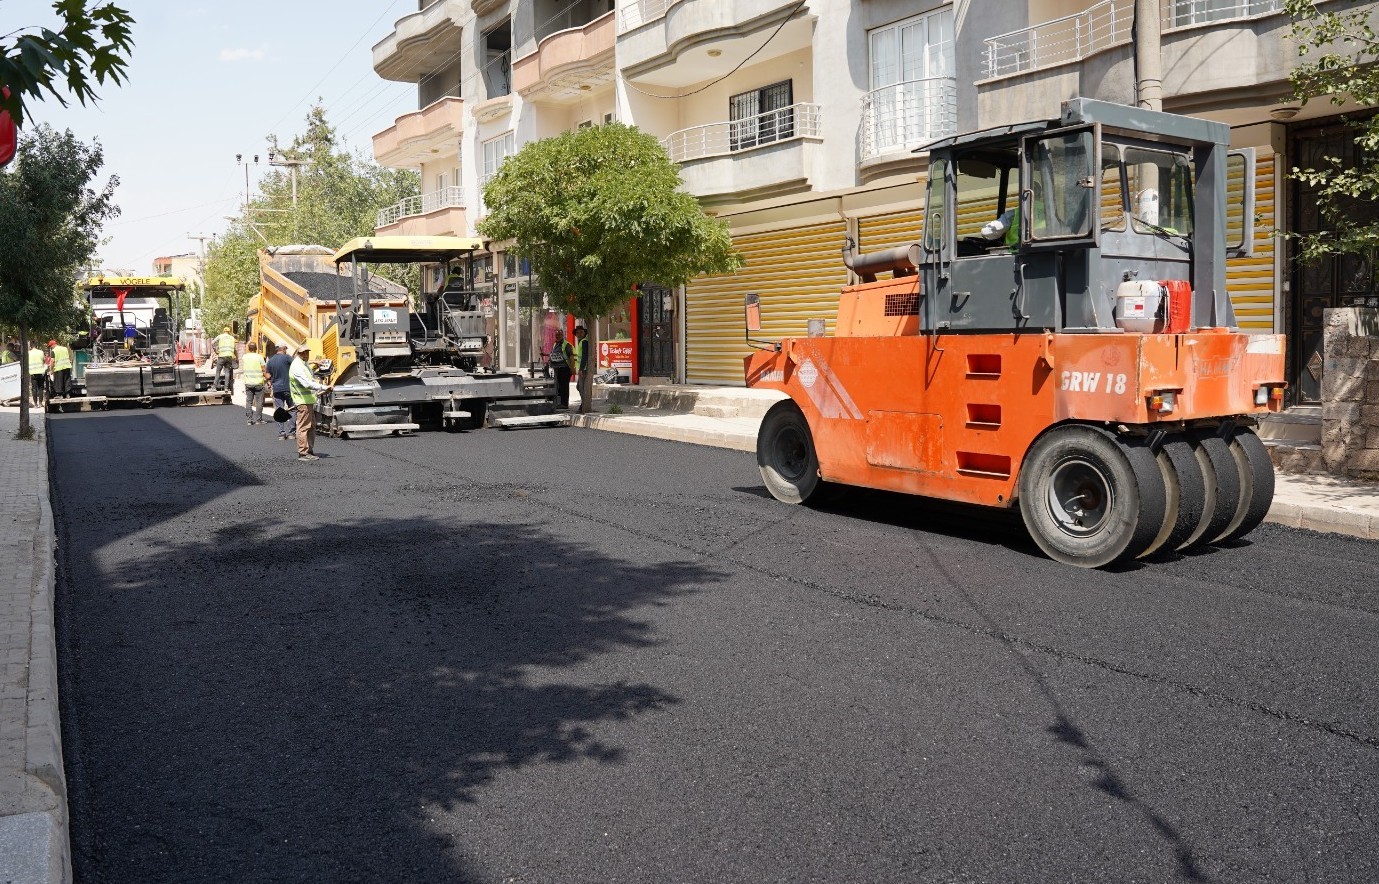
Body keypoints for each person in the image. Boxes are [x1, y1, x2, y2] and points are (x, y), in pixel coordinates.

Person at [288, 343, 332, 461]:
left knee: (311, 426)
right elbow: (306, 383)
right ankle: (303, 452)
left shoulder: (303, 363)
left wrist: (314, 363)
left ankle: (309, 450)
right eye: (304, 353)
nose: (307, 354)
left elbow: (308, 369)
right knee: (303, 427)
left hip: (308, 401)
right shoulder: (297, 366)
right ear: (299, 353)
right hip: (302, 402)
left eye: (308, 352)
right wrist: (323, 387)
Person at [265, 342, 296, 440]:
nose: (286, 350)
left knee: (279, 410)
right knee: (292, 409)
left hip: (277, 389)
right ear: (282, 349)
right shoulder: (287, 358)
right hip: (288, 388)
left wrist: (269, 381)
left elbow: (268, 375)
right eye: (285, 348)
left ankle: (281, 434)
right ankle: (292, 432)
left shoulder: (271, 360)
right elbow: (296, 366)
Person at [239, 340, 268, 425]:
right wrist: (268, 379)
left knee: (249, 402)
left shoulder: (244, 357)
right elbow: (263, 369)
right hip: (258, 382)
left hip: (248, 383)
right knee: (259, 402)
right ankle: (258, 420)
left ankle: (249, 420)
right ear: (256, 348)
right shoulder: (259, 357)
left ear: (248, 348)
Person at [547, 328, 574, 409]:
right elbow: (555, 355)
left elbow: (571, 357)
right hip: (557, 368)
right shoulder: (555, 344)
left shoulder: (566, 344)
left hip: (564, 368)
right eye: (556, 335)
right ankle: (560, 403)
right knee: (559, 386)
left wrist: (572, 368)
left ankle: (564, 404)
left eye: (559, 335)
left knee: (564, 387)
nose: (557, 336)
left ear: (563, 335)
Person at [211, 326, 237, 391]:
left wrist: (215, 350)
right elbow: (235, 349)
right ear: (229, 332)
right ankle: (226, 388)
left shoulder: (220, 336)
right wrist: (236, 357)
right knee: (227, 372)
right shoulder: (232, 338)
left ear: (223, 331)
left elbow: (212, 343)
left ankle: (214, 387)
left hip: (221, 356)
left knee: (218, 372)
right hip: (229, 357)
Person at [27, 342, 47, 406]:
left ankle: (35, 404)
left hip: (32, 372)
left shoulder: (28, 353)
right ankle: (40, 403)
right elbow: (44, 360)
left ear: (30, 347)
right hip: (41, 372)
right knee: (41, 388)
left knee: (34, 388)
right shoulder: (41, 352)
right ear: (37, 346)